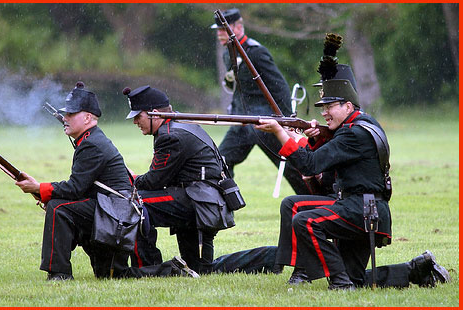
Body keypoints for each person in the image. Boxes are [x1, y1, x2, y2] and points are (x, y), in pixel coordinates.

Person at [255, 77, 450, 289]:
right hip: (369, 211)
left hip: (359, 210)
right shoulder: (365, 124)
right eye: (323, 107)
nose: (324, 113)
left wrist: (279, 133)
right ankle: (415, 269)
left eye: (330, 106)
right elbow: (333, 166)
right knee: (355, 279)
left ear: (348, 106)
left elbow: (310, 165)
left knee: (305, 221)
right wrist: (314, 138)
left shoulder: (352, 134)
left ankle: (338, 283)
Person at [15, 82, 196, 280]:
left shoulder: (92, 144)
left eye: (70, 114)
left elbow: (75, 188)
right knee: (112, 276)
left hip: (116, 216)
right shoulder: (89, 139)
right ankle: (171, 270)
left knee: (59, 208)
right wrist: (41, 190)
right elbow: (82, 190)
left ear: (87, 117)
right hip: (110, 213)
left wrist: (40, 188)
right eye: (65, 114)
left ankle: (59, 274)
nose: (65, 118)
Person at [123, 85, 233, 274]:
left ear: (154, 114)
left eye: (138, 116)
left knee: (134, 203)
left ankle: (148, 269)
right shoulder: (178, 124)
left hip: (200, 203)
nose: (135, 122)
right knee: (199, 269)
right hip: (200, 198)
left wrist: (131, 178)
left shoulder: (170, 136)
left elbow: (153, 181)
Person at [211, 8, 316, 195]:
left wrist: (286, 121)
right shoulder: (228, 53)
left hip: (266, 123)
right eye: (218, 30)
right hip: (242, 123)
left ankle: (315, 200)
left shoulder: (256, 52)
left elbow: (278, 86)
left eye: (222, 29)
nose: (219, 34)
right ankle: (225, 203)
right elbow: (237, 90)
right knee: (220, 161)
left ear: (238, 27)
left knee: (292, 166)